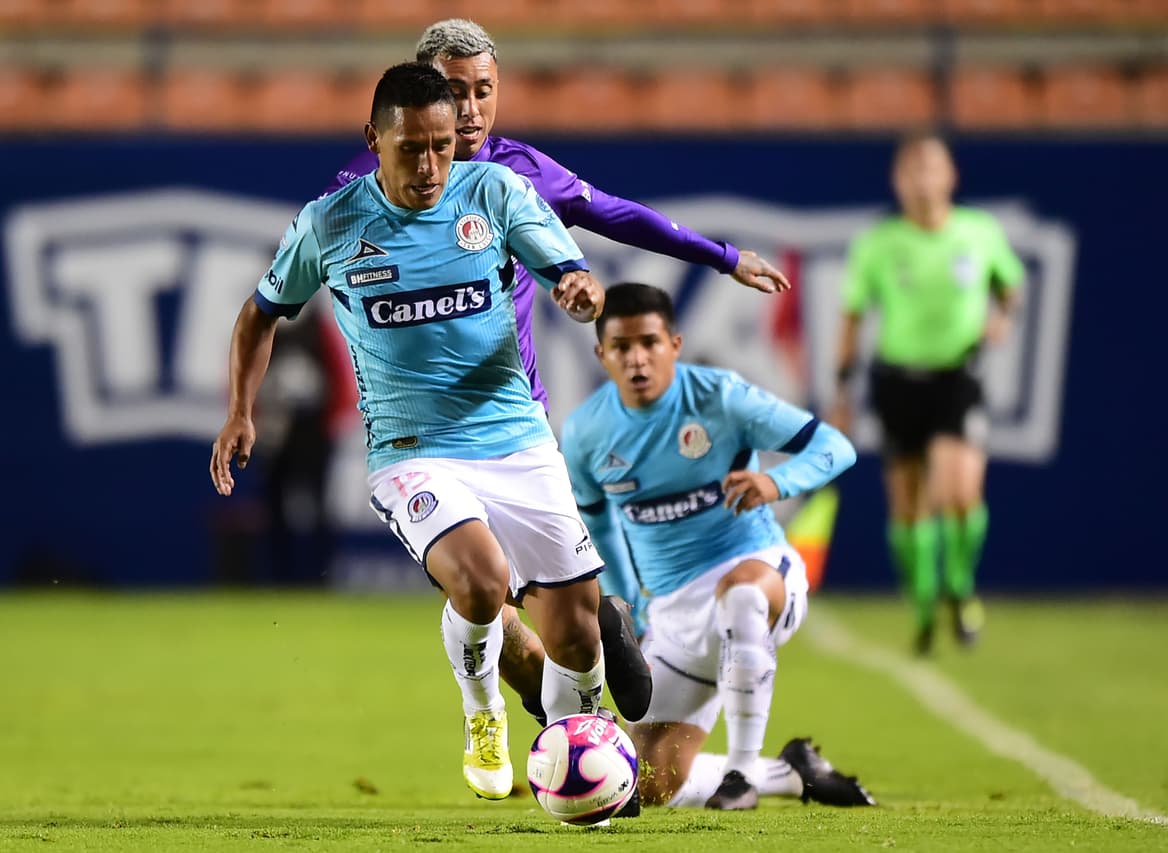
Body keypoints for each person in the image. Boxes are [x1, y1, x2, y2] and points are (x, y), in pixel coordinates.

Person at [321, 17, 790, 727]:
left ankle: (580, 678)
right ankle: (576, 703)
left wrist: (722, 257)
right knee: (489, 604)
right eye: (454, 91)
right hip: (423, 438)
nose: (470, 109)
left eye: (484, 91)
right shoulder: (368, 186)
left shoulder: (518, 173)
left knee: (504, 602)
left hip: (511, 424)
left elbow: (616, 215)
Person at [210, 62, 611, 802]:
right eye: (411, 148)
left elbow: (568, 271)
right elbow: (260, 314)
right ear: (374, 140)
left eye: (442, 146)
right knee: (483, 580)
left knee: (580, 635)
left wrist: (580, 290)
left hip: (516, 438)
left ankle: (578, 766)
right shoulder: (329, 223)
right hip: (411, 451)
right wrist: (241, 409)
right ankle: (482, 711)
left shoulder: (494, 192)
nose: (430, 166)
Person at [561, 283, 874, 811]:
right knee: (650, 782)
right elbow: (599, 526)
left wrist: (776, 482)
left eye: (649, 342)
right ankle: (790, 772)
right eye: (621, 347)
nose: (637, 359)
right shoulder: (586, 432)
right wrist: (626, 609)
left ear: (675, 344)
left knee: (741, 596)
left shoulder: (721, 398)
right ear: (601, 354)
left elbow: (835, 446)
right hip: (674, 613)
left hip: (758, 568)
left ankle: (742, 773)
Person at [830, 132, 1025, 655]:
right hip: (897, 380)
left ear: (950, 176)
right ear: (897, 181)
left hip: (958, 377)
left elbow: (1010, 287)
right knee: (909, 505)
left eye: (931, 168)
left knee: (960, 494)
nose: (921, 180)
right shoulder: (879, 242)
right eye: (911, 170)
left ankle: (959, 586)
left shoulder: (979, 232)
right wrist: (842, 389)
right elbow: (852, 316)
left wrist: (1003, 317)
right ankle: (922, 608)